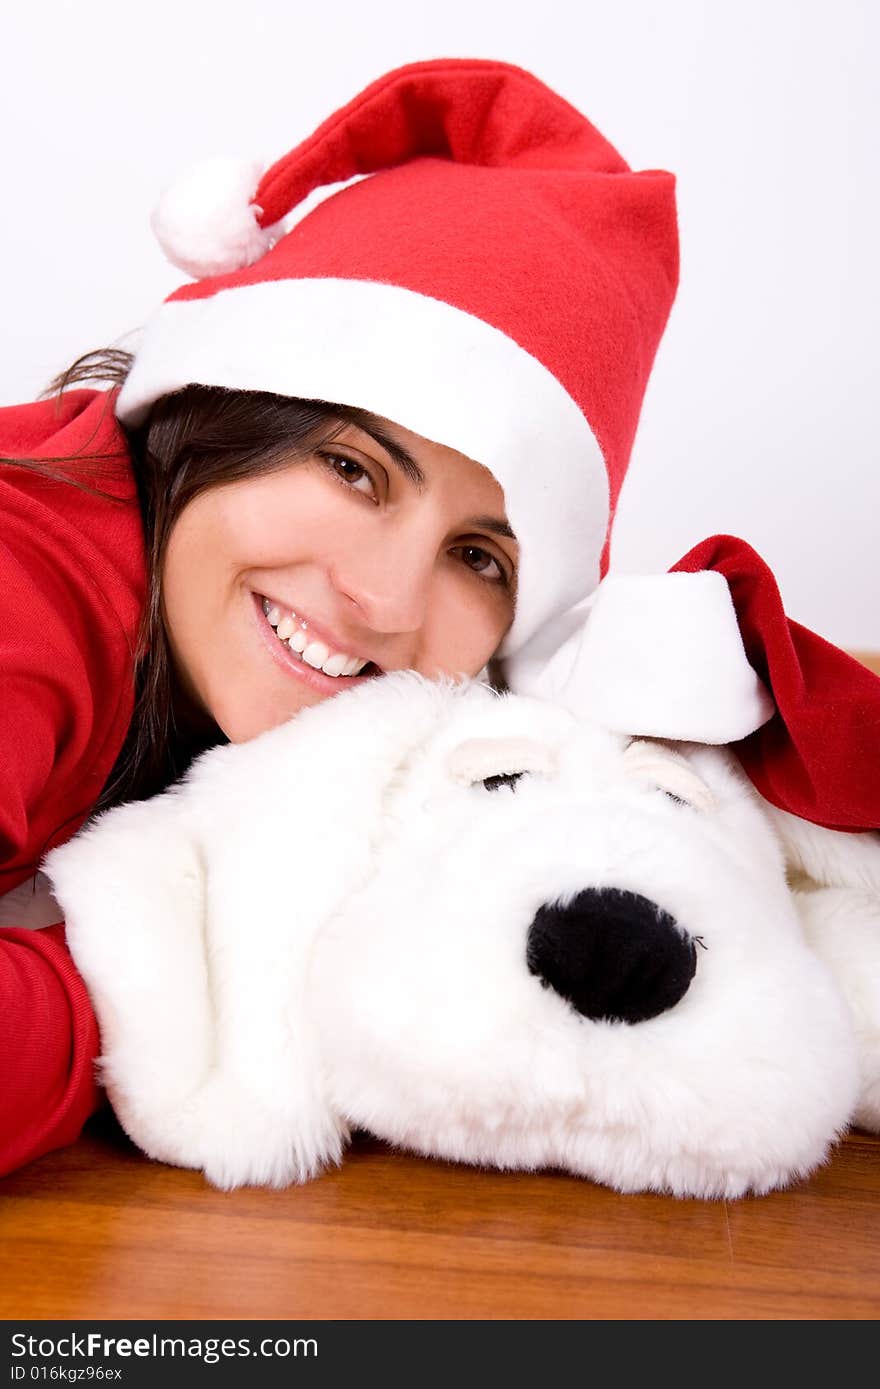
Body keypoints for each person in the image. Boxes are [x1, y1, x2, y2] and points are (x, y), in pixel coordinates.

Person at [1, 57, 878, 1181]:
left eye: (478, 555)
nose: (384, 600)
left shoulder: (338, 725)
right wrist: (128, 997)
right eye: (352, 468)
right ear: (213, 414)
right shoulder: (31, 578)